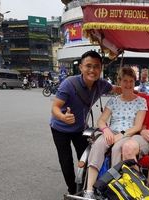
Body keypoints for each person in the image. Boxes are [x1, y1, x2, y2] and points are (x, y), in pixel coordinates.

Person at [50, 50, 119, 195]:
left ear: (100, 69)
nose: (92, 70)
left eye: (96, 66)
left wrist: (140, 94)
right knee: (66, 161)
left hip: (80, 129)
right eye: (88, 66)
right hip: (60, 128)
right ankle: (72, 190)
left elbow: (118, 89)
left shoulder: (101, 85)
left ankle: (87, 188)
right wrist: (63, 117)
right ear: (81, 67)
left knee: (88, 157)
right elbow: (55, 108)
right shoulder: (69, 84)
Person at [83, 67, 147, 200]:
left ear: (134, 82)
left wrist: (121, 135)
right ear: (119, 81)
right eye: (125, 81)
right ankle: (88, 191)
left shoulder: (141, 101)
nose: (128, 84)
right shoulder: (113, 100)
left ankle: (112, 190)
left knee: (118, 148)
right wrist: (106, 130)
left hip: (129, 133)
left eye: (131, 81)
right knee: (98, 145)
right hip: (111, 131)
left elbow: (138, 126)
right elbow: (101, 120)